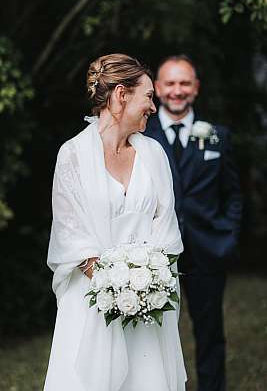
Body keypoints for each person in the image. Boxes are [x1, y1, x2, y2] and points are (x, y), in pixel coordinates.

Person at [44, 54, 187, 391]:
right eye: (148, 96)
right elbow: (71, 235)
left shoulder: (153, 154)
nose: (153, 107)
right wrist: (118, 287)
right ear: (122, 95)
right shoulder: (72, 154)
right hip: (92, 302)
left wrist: (145, 286)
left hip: (149, 305)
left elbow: (165, 227)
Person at [145, 55, 242, 391]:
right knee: (152, 335)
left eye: (184, 83)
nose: (177, 90)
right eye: (170, 83)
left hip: (207, 249)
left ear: (196, 88)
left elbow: (233, 194)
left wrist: (228, 236)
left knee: (210, 333)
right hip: (156, 254)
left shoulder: (217, 136)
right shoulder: (143, 135)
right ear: (157, 88)